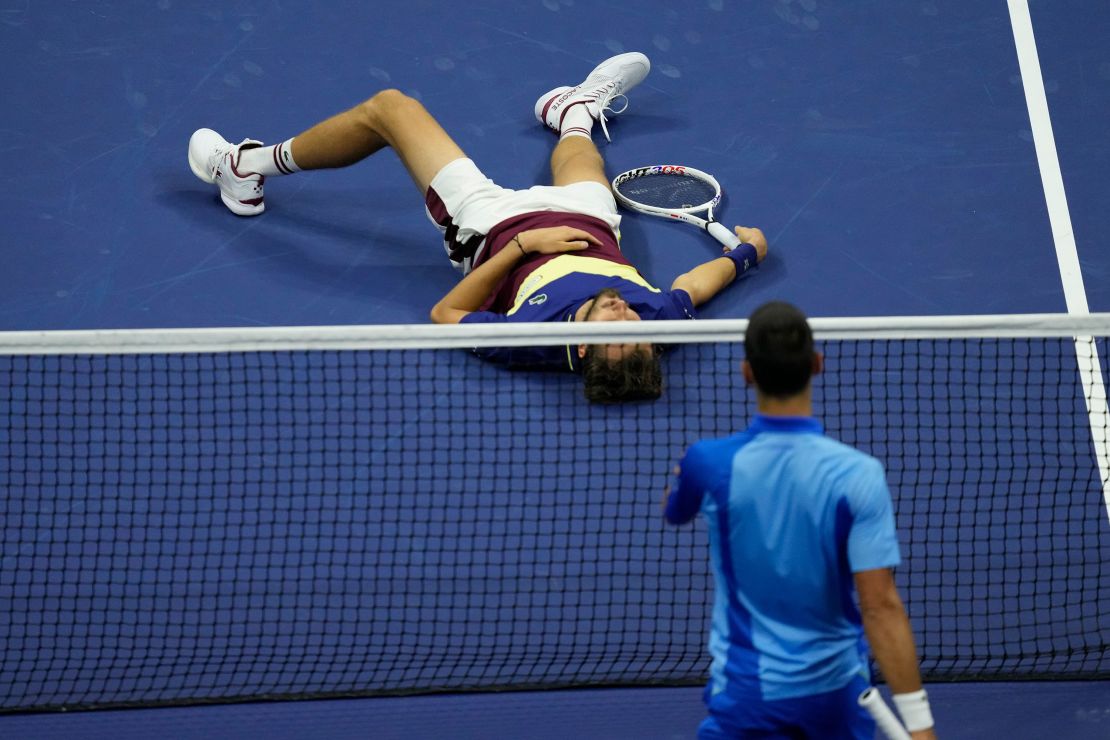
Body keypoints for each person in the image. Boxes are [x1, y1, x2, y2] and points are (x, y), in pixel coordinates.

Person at [187, 53, 768, 403]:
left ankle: (244, 169)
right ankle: (573, 113)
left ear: (585, 344)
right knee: (582, 159)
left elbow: (445, 316)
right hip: (592, 225)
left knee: (391, 108)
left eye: (617, 324)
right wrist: (746, 255)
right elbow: (697, 286)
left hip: (491, 226)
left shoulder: (528, 340)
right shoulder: (652, 330)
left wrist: (522, 245)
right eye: (637, 323)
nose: (628, 314)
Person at [663, 301, 937, 739]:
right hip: (837, 697)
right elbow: (880, 606)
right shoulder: (859, 475)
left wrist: (681, 482)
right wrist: (920, 727)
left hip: (748, 697)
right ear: (817, 364)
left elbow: (675, 512)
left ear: (746, 372)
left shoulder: (708, 464)